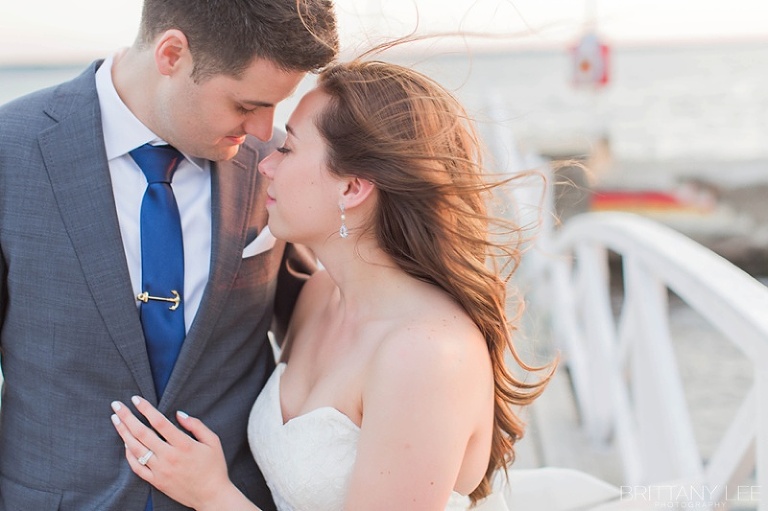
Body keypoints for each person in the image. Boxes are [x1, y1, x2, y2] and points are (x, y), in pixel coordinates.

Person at [109, 54, 553, 511]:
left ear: (351, 188)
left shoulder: (424, 354)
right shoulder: (319, 298)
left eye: (288, 149)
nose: (265, 165)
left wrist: (212, 495)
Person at [0, 1, 337, 510]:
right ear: (172, 53)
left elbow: (324, 320)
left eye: (277, 106)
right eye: (246, 105)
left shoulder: (273, 170)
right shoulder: (11, 151)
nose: (267, 131)